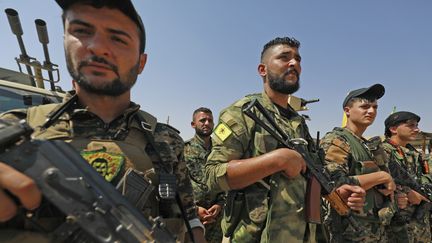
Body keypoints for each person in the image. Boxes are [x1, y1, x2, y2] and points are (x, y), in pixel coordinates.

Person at [0, 0, 205, 242]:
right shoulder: (15, 131)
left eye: (118, 38)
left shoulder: (167, 141)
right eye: (82, 31)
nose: (97, 47)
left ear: (141, 62)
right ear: (65, 44)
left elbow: (187, 215)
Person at [205, 36, 366, 243]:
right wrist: (277, 160)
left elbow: (313, 172)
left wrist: (335, 193)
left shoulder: (297, 121)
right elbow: (211, 175)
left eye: (298, 59)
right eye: (284, 57)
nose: (294, 64)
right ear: (262, 70)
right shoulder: (241, 113)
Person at [320, 84, 397, 242]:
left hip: (374, 230)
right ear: (347, 111)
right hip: (349, 232)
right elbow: (333, 183)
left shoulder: (366, 145)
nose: (371, 111)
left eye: (375, 107)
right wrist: (382, 176)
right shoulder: (337, 140)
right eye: (365, 106)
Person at [383, 111, 432, 242]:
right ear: (393, 129)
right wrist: (407, 192)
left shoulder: (414, 153)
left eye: (417, 125)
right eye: (411, 125)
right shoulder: (383, 152)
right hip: (398, 223)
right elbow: (381, 181)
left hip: (419, 222)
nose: (417, 129)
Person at [184, 107, 224, 242]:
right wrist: (195, 209)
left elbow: (226, 179)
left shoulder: (221, 151)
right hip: (191, 216)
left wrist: (220, 204)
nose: (207, 123)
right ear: (193, 124)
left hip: (216, 218)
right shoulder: (183, 149)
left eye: (210, 120)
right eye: (202, 120)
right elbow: (179, 183)